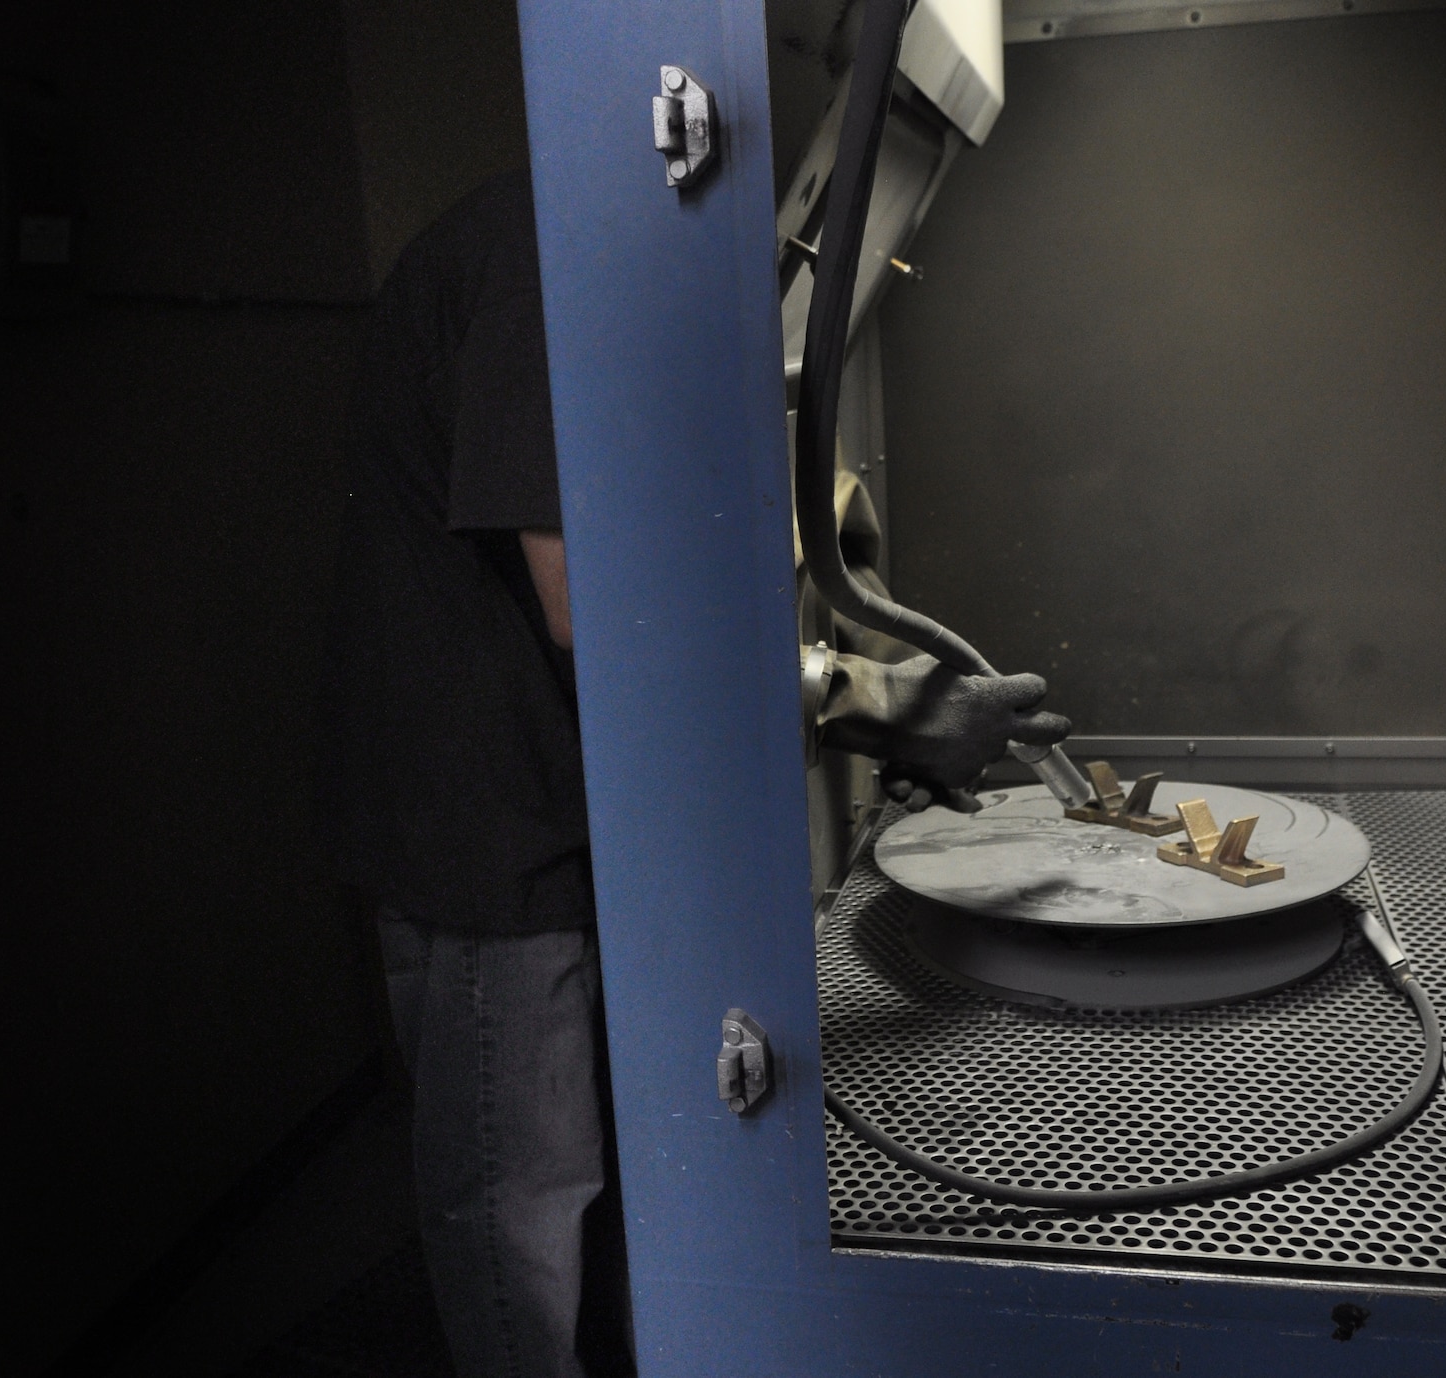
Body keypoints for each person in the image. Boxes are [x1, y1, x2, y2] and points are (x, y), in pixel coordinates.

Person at [316, 171, 1068, 1377]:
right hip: (484, 828)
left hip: (556, 796)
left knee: (588, 1181)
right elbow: (599, 609)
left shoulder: (594, 250)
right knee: (519, 1198)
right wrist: (868, 700)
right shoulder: (544, 250)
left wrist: (858, 679)